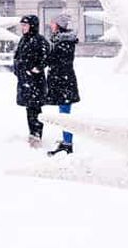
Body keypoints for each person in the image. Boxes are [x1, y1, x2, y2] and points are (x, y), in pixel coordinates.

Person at [45, 14, 81, 156]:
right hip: (62, 81)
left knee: (65, 114)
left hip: (64, 82)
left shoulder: (63, 42)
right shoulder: (60, 40)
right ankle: (66, 141)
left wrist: (45, 57)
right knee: (63, 112)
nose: (51, 25)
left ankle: (68, 144)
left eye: (53, 23)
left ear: (59, 25)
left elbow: (55, 60)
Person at [13, 14, 50, 147]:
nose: (23, 28)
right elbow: (17, 56)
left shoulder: (39, 40)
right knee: (29, 109)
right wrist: (17, 70)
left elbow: (46, 56)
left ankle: (36, 135)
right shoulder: (24, 40)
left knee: (35, 109)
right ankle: (32, 133)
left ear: (32, 26)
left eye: (25, 25)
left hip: (35, 82)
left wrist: (37, 68)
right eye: (22, 25)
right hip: (25, 81)